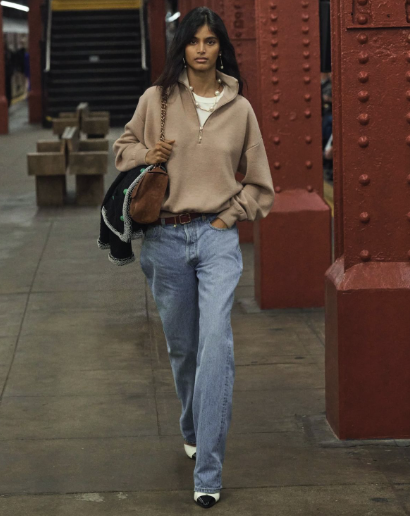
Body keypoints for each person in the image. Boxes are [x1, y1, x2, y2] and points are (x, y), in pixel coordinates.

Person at [113, 6, 275, 509]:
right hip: (164, 239)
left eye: (210, 41)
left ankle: (208, 470)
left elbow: (260, 184)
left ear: (221, 47)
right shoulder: (156, 99)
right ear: (181, 47)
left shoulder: (240, 109)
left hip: (216, 239)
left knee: (216, 347)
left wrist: (230, 217)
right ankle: (191, 424)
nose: (201, 49)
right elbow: (122, 149)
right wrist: (148, 154)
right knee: (184, 349)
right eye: (193, 40)